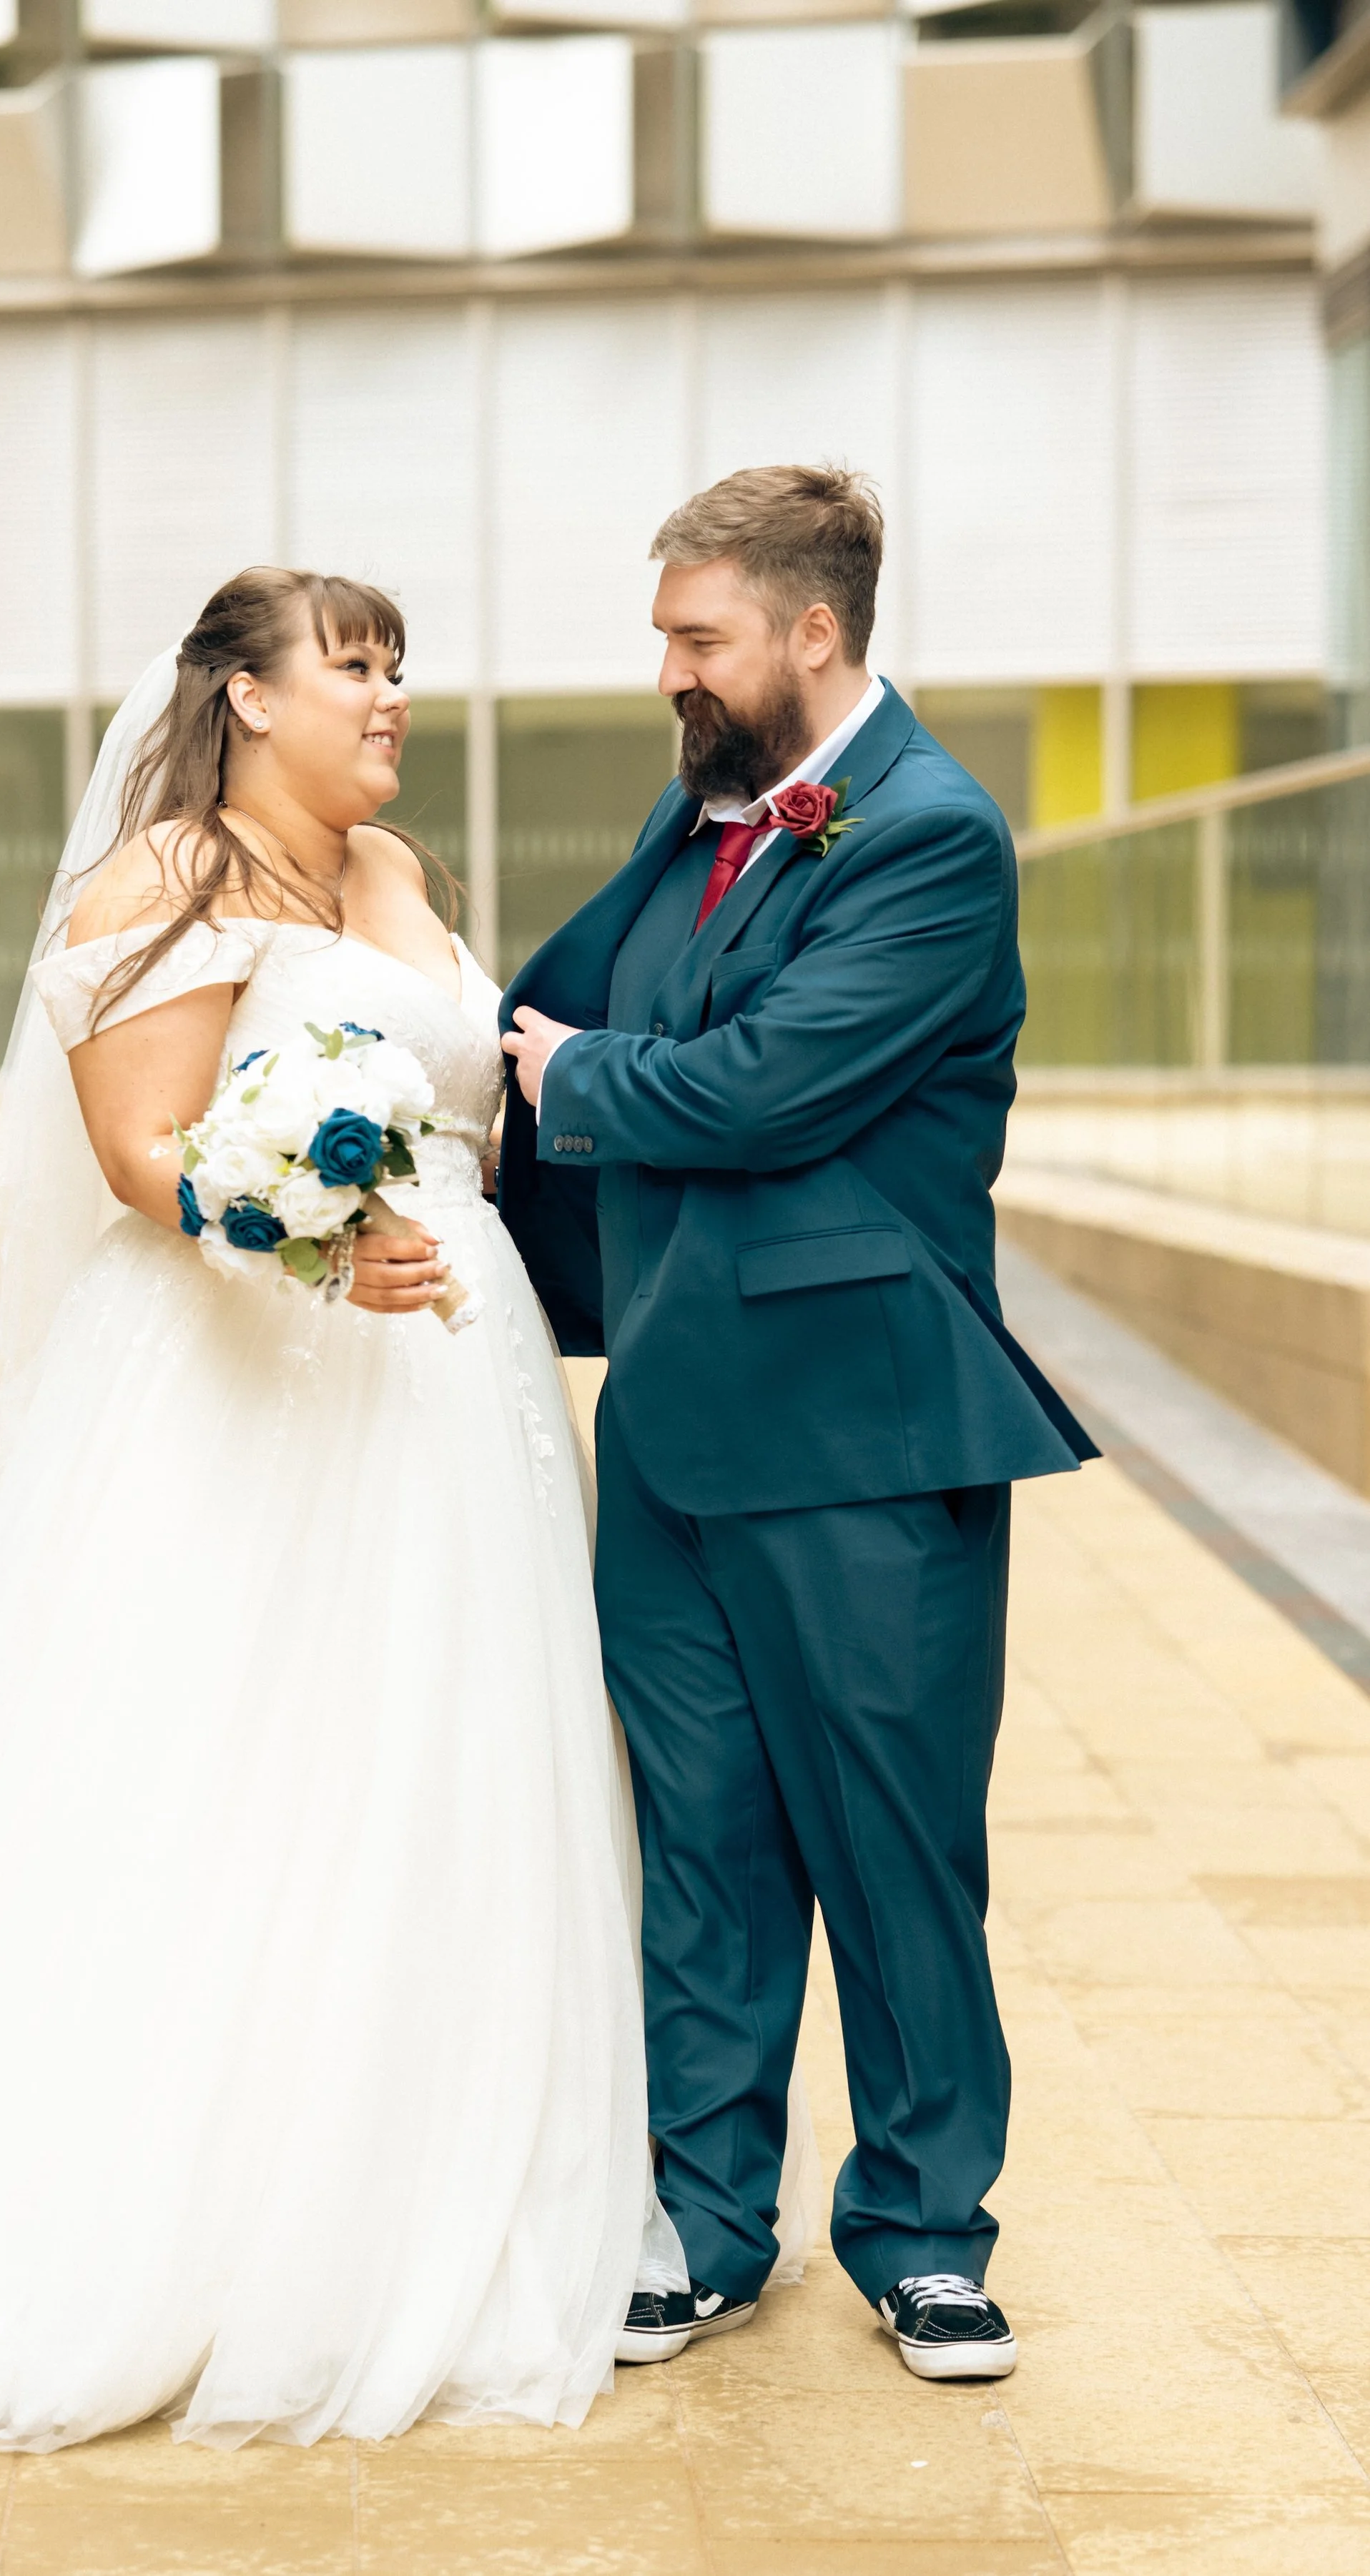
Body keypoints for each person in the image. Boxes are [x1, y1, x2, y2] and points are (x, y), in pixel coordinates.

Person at [0, 566, 817, 2452]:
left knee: (439, 1762)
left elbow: (477, 1108)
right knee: (230, 1754)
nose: (389, 697)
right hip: (249, 1376)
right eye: (353, 667)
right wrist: (309, 1242)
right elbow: (138, 1147)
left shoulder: (394, 871)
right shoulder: (164, 876)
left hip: (457, 1386)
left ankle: (419, 2190)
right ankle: (182, 2218)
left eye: (398, 667)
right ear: (249, 696)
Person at [499, 467, 1095, 2383]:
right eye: (665, 637)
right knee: (701, 1847)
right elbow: (577, 1012)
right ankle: (704, 2222)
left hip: (859, 1436)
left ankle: (924, 2234)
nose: (670, 672)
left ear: (813, 631)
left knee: (894, 1851)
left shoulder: (931, 838)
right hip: (671, 1430)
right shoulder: (702, 811)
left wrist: (575, 1076)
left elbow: (760, 1090)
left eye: (700, 638)